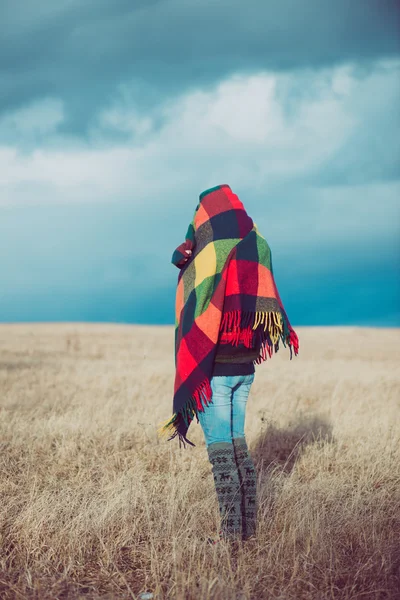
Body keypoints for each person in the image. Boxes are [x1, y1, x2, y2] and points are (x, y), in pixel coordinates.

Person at [157, 184, 299, 545]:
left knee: (221, 454)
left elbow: (194, 294)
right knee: (239, 448)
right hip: (244, 368)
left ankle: (230, 538)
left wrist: (186, 251)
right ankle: (248, 532)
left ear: (207, 214)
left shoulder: (212, 251)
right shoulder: (257, 242)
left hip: (215, 370)